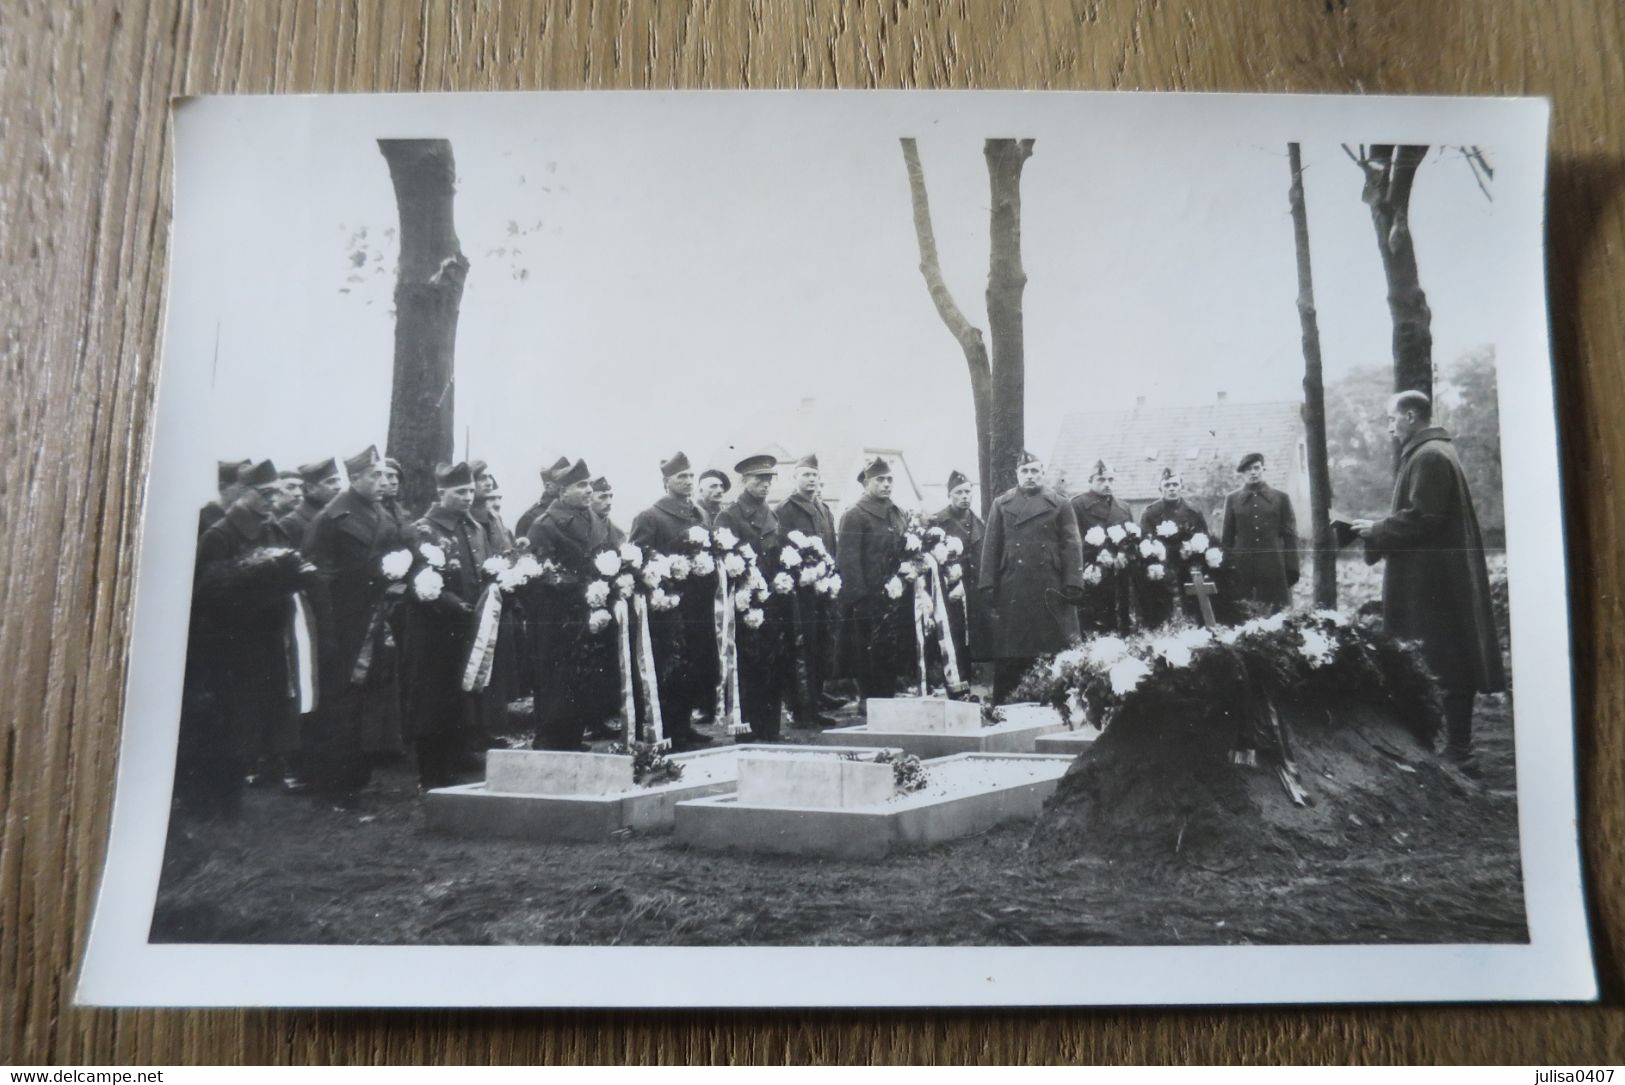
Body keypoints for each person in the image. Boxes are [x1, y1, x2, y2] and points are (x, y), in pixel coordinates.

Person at [1352, 391, 1506, 771]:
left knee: (1447, 662)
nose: (1389, 426)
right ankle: (1451, 747)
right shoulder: (1429, 452)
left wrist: (1376, 529)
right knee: (1439, 657)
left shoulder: (1431, 456)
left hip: (1435, 584)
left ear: (1409, 416)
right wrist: (1377, 529)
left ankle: (1459, 751)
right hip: (1434, 580)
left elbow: (1424, 517)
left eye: (1391, 419)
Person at [180, 460, 316, 815]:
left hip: (269, 638)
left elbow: (294, 567)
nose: (272, 501)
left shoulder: (274, 531)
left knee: (259, 719)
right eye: (265, 494)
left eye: (274, 494)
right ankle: (219, 801)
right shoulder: (220, 535)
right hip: (231, 644)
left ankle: (234, 796)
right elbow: (205, 592)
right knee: (229, 722)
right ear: (243, 493)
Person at [303, 444, 409, 799]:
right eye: (374, 476)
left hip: (374, 616)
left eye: (384, 475)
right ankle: (331, 783)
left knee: (365, 700)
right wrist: (328, 634)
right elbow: (319, 579)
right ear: (356, 479)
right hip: (343, 622)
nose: (383, 482)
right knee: (340, 702)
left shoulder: (379, 511)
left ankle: (355, 777)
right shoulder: (332, 519)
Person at [403, 462, 490, 789]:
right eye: (460, 492)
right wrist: (452, 603)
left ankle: (453, 765)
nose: (468, 497)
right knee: (432, 701)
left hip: (467, 627)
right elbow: (419, 582)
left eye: (470, 490)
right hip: (433, 632)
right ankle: (430, 772)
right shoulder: (424, 530)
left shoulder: (475, 529)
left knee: (459, 698)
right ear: (441, 493)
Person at [628, 452, 718, 751]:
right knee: (672, 666)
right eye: (682, 477)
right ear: (667, 482)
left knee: (695, 664)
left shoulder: (700, 515)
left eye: (691, 476)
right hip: (668, 606)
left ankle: (685, 725)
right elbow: (639, 559)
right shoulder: (651, 516)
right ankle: (669, 728)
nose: (689, 482)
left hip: (699, 602)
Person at [525, 459, 616, 751]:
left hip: (590, 613)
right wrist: (581, 587)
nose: (589, 490)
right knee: (555, 681)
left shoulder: (593, 520)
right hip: (557, 618)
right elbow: (538, 574)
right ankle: (550, 740)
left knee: (583, 677)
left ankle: (573, 737)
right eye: (581, 485)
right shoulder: (545, 525)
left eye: (589, 484)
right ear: (562, 491)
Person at [979, 451, 1085, 703]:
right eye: (1025, 471)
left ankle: (1055, 701)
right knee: (1012, 648)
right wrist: (987, 584)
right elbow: (992, 545)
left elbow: (1071, 544)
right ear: (1017, 474)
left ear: (1043, 474)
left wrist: (1073, 582)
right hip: (1012, 585)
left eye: (1035, 471)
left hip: (1050, 585)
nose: (1030, 476)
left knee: (1051, 648)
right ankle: (1007, 703)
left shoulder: (1060, 504)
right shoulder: (1001, 504)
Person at [716, 454, 791, 742]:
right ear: (744, 481)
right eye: (759, 479)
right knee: (748, 667)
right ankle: (746, 729)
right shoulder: (729, 515)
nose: (765, 485)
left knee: (773, 664)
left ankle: (770, 728)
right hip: (743, 601)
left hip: (771, 599)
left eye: (769, 479)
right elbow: (726, 560)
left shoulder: (771, 514)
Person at [835, 457, 913, 707]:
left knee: (892, 651)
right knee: (866, 652)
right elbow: (847, 561)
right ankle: (868, 701)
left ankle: (888, 700)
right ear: (867, 483)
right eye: (880, 479)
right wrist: (860, 599)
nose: (886, 484)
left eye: (890, 479)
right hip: (868, 599)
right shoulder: (855, 515)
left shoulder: (898, 512)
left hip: (896, 597)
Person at [774, 453, 840, 726]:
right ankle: (800, 709)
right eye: (805, 475)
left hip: (822, 590)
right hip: (799, 593)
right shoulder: (785, 509)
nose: (811, 480)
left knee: (821, 645)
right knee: (801, 648)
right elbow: (781, 551)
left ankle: (814, 702)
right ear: (795, 477)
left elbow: (831, 547)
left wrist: (831, 577)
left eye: (814, 475)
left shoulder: (824, 509)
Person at [1220, 452, 1300, 616]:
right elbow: (1227, 539)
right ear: (1242, 473)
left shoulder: (1281, 498)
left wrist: (1291, 568)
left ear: (1263, 468)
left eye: (1256, 468)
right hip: (1242, 567)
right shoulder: (1232, 499)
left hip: (1274, 567)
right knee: (1243, 614)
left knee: (1276, 614)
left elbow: (1290, 537)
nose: (1253, 472)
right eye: (1248, 469)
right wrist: (1226, 569)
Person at [927, 469, 987, 678]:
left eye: (968, 492)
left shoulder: (979, 523)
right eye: (958, 493)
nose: (964, 497)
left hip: (972, 591)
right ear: (949, 495)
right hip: (948, 592)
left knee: (969, 639)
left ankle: (967, 680)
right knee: (951, 636)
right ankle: (950, 680)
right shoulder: (938, 523)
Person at [1070, 459, 1136, 636]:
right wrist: (1097, 555)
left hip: (1119, 577)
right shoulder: (1077, 505)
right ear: (1090, 481)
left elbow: (1131, 539)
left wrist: (1124, 553)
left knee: (1120, 623)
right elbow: (1071, 542)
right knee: (1093, 626)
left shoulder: (1123, 507)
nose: (1107, 484)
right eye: (1101, 480)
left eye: (1110, 480)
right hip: (1093, 576)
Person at [1138, 468, 1210, 628]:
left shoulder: (1193, 512)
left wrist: (1193, 551)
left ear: (1181, 487)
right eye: (1167, 485)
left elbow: (1204, 539)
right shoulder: (1151, 513)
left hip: (1188, 568)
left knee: (1192, 611)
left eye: (1175, 484)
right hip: (1162, 569)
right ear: (1160, 488)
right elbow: (1145, 543)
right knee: (1162, 614)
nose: (1172, 488)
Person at [280, 457, 343, 549]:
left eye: (338, 480)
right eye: (330, 482)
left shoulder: (336, 514)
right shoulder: (290, 524)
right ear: (311, 488)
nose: (338, 487)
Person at [515, 456, 571, 538]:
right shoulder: (530, 517)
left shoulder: (577, 511)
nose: (569, 486)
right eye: (563, 481)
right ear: (548, 486)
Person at [469, 461, 516, 553]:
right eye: (482, 478)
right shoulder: (465, 518)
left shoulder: (496, 518)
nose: (489, 483)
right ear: (470, 483)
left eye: (490, 477)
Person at [200, 458, 251, 535]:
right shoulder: (206, 517)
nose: (247, 491)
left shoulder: (245, 516)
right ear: (223, 488)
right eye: (241, 487)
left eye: (249, 486)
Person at [378, 456, 414, 531]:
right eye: (389, 476)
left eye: (397, 477)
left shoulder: (402, 513)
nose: (395, 482)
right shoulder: (369, 510)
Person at [590, 476, 626, 547]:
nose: (609, 502)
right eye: (602, 497)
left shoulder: (619, 534)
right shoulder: (580, 529)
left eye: (610, 496)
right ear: (588, 500)